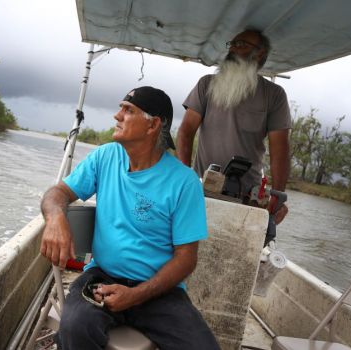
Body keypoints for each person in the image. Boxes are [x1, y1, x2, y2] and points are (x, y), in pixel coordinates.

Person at [40, 86, 219, 350]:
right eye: (120, 108)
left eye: (128, 110)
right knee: (76, 328)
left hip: (158, 290)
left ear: (153, 125)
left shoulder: (184, 182)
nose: (117, 116)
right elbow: (57, 193)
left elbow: (186, 258)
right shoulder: (105, 156)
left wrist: (136, 295)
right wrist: (56, 217)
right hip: (102, 278)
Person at [177, 29, 290, 224]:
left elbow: (279, 149)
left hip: (247, 197)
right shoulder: (206, 84)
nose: (234, 49)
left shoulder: (274, 95)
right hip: (200, 189)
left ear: (260, 53)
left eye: (242, 45)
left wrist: (278, 195)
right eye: (233, 44)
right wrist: (183, 179)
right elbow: (186, 132)